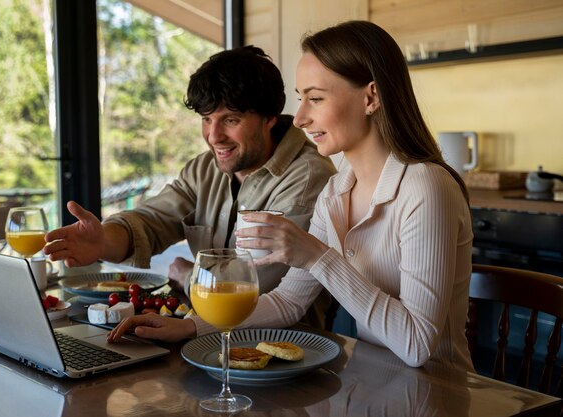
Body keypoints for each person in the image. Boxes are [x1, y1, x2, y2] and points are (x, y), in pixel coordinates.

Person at [107, 21, 474, 371]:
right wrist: (192, 327)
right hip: (373, 382)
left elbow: (417, 345)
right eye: (301, 99)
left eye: (315, 99)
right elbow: (287, 301)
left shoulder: (425, 187)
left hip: (436, 393)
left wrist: (317, 256)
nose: (298, 118)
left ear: (371, 97)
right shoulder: (337, 191)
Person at [44, 46, 336, 327]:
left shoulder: (308, 178)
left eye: (230, 120)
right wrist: (104, 241)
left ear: (269, 118)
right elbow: (152, 220)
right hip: (200, 332)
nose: (214, 136)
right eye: (207, 119)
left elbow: (254, 285)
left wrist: (188, 276)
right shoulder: (204, 168)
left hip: (286, 348)